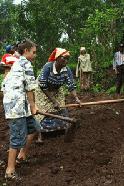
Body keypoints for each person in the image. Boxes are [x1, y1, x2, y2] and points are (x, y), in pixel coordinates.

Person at [1, 39, 39, 180]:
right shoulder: (25, 64)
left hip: (21, 105)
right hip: (16, 106)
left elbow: (4, 85)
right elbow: (30, 87)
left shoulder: (17, 63)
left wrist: (29, 106)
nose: (35, 55)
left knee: (34, 127)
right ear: (26, 51)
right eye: (34, 52)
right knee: (17, 137)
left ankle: (22, 155)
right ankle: (10, 171)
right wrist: (33, 106)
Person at [35, 48, 81, 142]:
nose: (66, 61)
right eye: (64, 58)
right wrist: (53, 101)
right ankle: (40, 135)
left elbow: (71, 85)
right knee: (41, 111)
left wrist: (76, 98)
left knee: (61, 108)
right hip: (43, 90)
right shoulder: (48, 67)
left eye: (68, 59)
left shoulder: (66, 70)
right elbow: (43, 85)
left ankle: (63, 129)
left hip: (57, 90)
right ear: (57, 58)